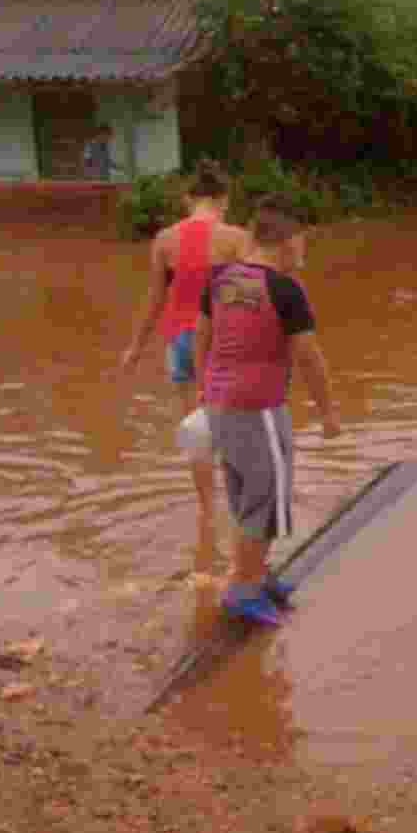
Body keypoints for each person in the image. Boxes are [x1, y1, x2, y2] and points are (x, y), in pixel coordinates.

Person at [195, 194, 340, 626]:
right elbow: (310, 358)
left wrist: (206, 388)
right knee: (268, 498)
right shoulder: (285, 289)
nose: (304, 253)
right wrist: (328, 413)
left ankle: (255, 575)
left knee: (244, 493)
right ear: (288, 241)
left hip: (219, 405)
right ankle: (243, 591)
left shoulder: (219, 279)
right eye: (303, 243)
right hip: (258, 408)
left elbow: (201, 335)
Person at [121, 159, 248, 544]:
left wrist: (135, 347)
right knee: (235, 422)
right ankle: (241, 509)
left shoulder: (164, 240)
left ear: (187, 199)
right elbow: (250, 296)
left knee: (196, 427)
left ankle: (207, 513)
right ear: (223, 200)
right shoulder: (236, 239)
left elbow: (154, 298)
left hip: (179, 335)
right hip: (224, 338)